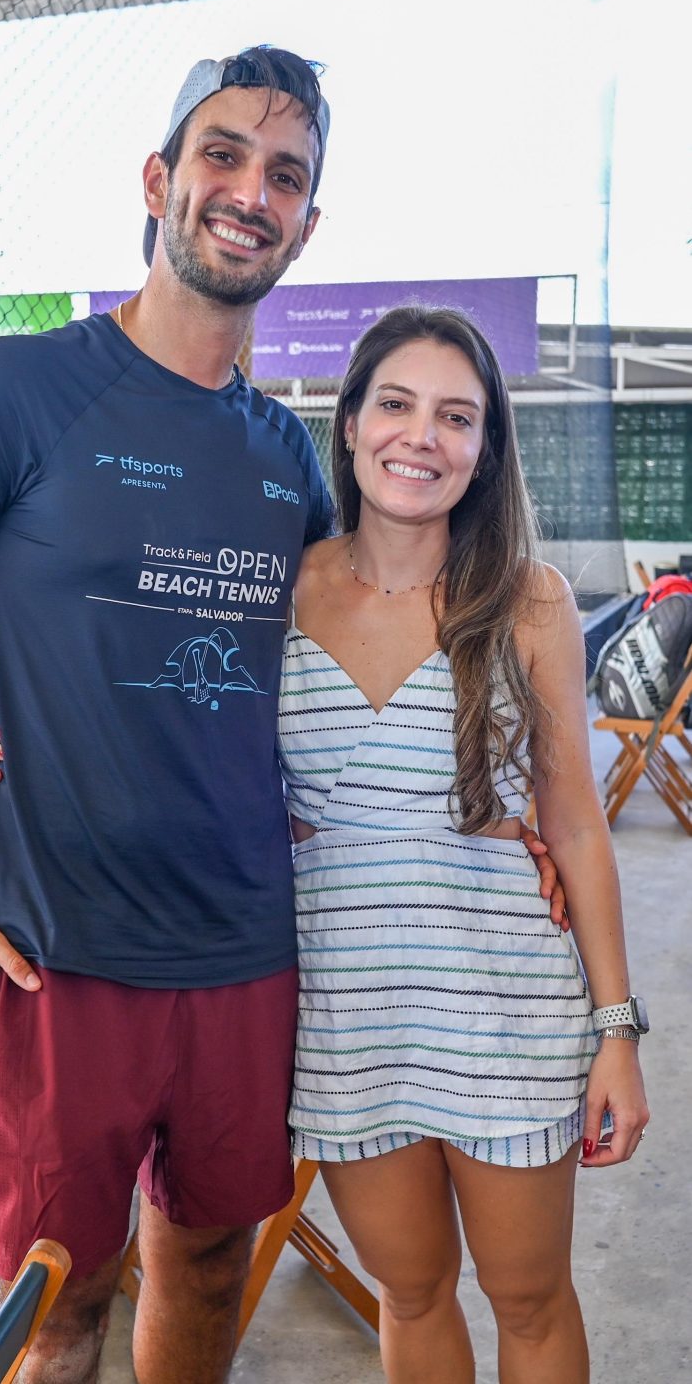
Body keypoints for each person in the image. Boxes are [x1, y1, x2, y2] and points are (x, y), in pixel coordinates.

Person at [0, 50, 561, 1384]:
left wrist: (514, 815)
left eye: (285, 175)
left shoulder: (288, 461)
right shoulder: (15, 393)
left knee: (209, 1264)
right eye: (222, 156)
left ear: (307, 225)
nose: (249, 191)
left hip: (249, 956)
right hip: (60, 959)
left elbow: (372, 666)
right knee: (60, 1306)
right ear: (160, 180)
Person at [277, 306, 647, 1382]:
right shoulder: (281, 590)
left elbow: (575, 818)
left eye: (457, 416)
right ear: (349, 424)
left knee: (529, 1298)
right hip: (352, 1021)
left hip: (505, 1011)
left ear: (484, 450)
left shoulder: (528, 600)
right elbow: (178, 735)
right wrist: (9, 740)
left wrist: (615, 1027)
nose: (421, 436)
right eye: (395, 403)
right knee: (411, 1288)